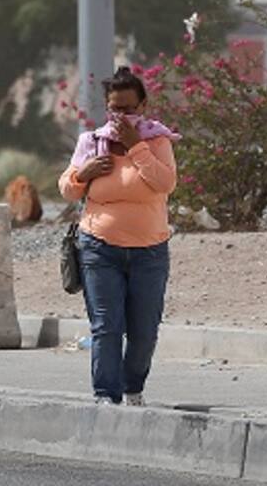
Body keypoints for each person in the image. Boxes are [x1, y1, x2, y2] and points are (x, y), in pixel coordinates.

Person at [58, 66, 179, 406]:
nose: (122, 116)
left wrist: (135, 147)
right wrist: (84, 173)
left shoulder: (157, 141)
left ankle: (132, 387)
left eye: (128, 108)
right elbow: (67, 189)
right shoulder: (91, 142)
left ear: (143, 106)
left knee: (143, 332)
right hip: (99, 248)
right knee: (106, 326)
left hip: (149, 250)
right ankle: (105, 396)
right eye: (115, 108)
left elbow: (165, 183)